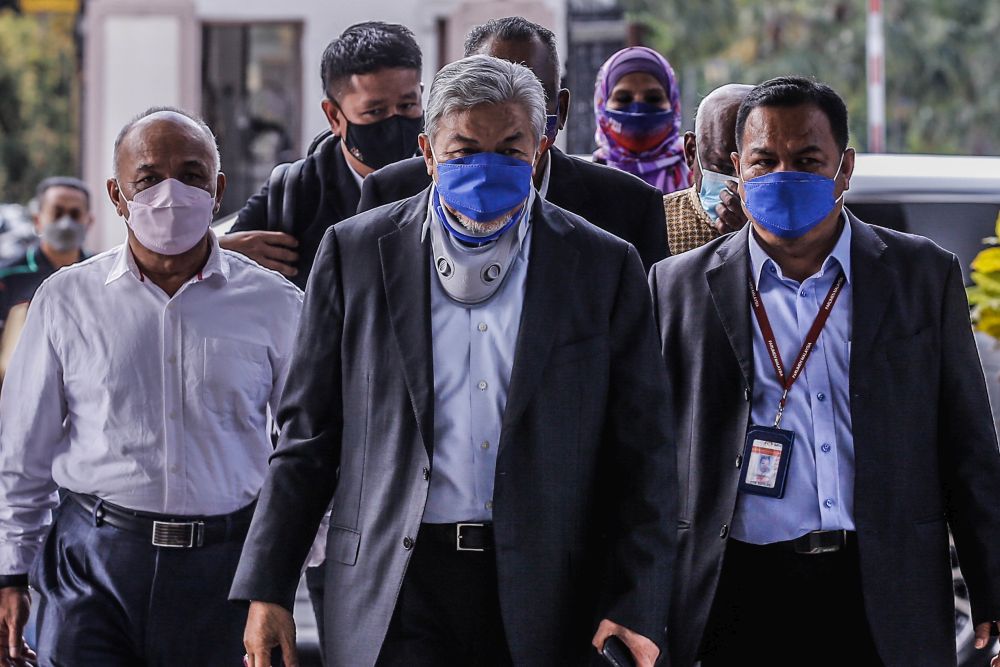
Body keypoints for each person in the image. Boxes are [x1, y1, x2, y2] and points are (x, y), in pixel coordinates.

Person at [233, 55, 676, 667]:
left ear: (541, 149)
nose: (487, 166)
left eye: (510, 148)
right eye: (465, 149)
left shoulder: (603, 265)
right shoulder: (355, 253)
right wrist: (268, 587)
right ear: (428, 151)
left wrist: (637, 600)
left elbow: (645, 451)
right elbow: (308, 436)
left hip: (549, 592)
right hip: (395, 588)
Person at [649, 76, 1000, 667]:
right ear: (737, 166)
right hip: (735, 594)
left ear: (845, 167)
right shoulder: (678, 286)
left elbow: (967, 444)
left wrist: (992, 583)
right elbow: (646, 460)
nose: (785, 174)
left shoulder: (921, 275)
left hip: (880, 590)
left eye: (808, 160)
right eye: (765, 161)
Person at [0, 107, 303, 666]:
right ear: (117, 196)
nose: (171, 193)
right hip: (90, 567)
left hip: (227, 569)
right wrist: (10, 571)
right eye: (149, 178)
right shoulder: (66, 301)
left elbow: (308, 443)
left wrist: (282, 573)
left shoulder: (276, 304)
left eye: (191, 175)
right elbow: (24, 450)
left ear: (218, 189)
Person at [358, 16, 669, 270]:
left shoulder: (629, 205)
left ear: (560, 110)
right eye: (486, 87)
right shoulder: (389, 193)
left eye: (533, 92)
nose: (509, 109)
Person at [222, 21, 423, 289]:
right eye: (375, 111)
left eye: (407, 105)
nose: (394, 122)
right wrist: (221, 251)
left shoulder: (447, 179)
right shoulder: (297, 193)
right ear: (334, 116)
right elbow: (214, 263)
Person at [0, 177, 93, 379]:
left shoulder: (103, 276)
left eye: (75, 214)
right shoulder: (7, 277)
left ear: (89, 221)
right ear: (38, 220)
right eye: (57, 212)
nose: (66, 223)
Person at [664, 84, 752, 254]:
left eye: (753, 166)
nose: (738, 183)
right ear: (691, 152)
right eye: (723, 167)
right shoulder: (658, 223)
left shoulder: (793, 227)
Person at [593, 46, 690, 195]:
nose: (638, 109)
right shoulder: (584, 181)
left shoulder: (698, 175)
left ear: (673, 103)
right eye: (624, 98)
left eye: (653, 98)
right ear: (602, 104)